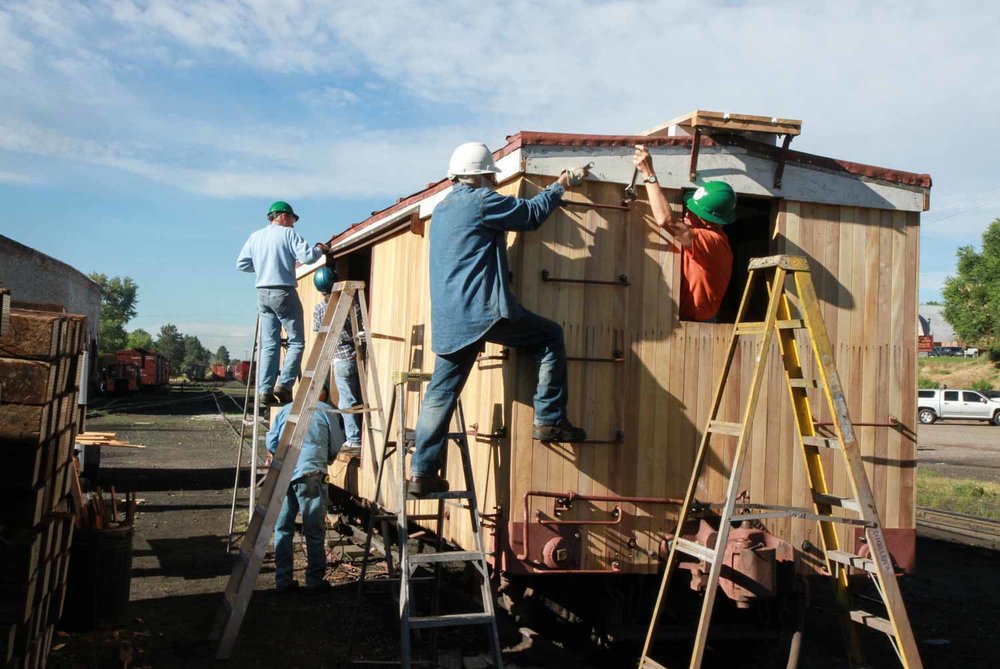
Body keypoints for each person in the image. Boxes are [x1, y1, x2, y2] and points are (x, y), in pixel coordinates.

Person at [408, 142, 590, 496]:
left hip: (450, 319)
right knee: (549, 335)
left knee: (440, 394)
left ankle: (422, 473)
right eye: (491, 177)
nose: (493, 183)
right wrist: (560, 185)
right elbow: (531, 215)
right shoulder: (481, 201)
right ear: (481, 176)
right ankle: (550, 419)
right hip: (483, 311)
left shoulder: (443, 210)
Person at [237, 201, 330, 406]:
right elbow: (307, 257)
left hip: (262, 292)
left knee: (270, 344)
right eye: (292, 219)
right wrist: (319, 249)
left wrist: (264, 266)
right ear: (283, 216)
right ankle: (285, 386)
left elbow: (241, 264)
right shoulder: (288, 234)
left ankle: (264, 391)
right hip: (283, 290)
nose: (293, 224)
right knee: (296, 341)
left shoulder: (255, 237)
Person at [633, 144, 736, 322]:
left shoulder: (713, 242)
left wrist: (648, 174)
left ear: (708, 219)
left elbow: (667, 222)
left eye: (694, 212)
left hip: (698, 327)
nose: (687, 213)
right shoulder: (709, 238)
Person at [266, 384, 344, 593]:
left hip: (285, 474)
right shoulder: (325, 410)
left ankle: (283, 581)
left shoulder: (285, 410)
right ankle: (314, 581)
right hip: (310, 473)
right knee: (314, 531)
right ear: (324, 393)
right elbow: (337, 443)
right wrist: (326, 458)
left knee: (282, 529)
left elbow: (272, 442)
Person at [312, 266, 364, 454]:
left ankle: (354, 439)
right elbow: (361, 327)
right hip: (358, 358)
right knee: (359, 398)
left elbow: (319, 335)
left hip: (339, 360)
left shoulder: (319, 308)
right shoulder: (351, 303)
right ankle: (358, 434)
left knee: (346, 401)